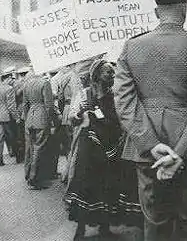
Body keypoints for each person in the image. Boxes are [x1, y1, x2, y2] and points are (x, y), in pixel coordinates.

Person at [114, 0, 187, 241]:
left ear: (156, 12)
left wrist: (151, 145)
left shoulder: (131, 47)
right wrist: (181, 152)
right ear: (184, 9)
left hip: (147, 152)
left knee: (155, 221)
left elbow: (124, 102)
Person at [63, 59, 142, 240]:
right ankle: (81, 227)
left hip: (110, 147)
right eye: (108, 73)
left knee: (108, 185)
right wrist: (79, 113)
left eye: (114, 73)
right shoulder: (84, 94)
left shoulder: (115, 97)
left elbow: (121, 122)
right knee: (85, 184)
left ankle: (104, 226)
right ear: (97, 75)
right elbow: (72, 120)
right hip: (89, 147)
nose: (113, 76)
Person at [23, 71, 54, 190]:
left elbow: (25, 104)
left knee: (30, 148)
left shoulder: (27, 84)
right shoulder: (45, 83)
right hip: (41, 118)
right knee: (39, 148)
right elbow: (49, 105)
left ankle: (28, 174)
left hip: (30, 117)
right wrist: (50, 120)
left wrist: (27, 119)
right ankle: (34, 178)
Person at [0, 67, 20, 166]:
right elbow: (11, 106)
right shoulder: (10, 89)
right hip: (7, 117)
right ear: (7, 78)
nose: (12, 80)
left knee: (0, 139)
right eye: (11, 78)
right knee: (13, 137)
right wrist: (17, 118)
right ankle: (18, 157)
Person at [14, 66, 31, 163]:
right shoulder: (23, 83)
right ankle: (24, 155)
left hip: (19, 109)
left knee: (20, 134)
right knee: (25, 133)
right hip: (25, 110)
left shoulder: (16, 83)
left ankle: (20, 156)